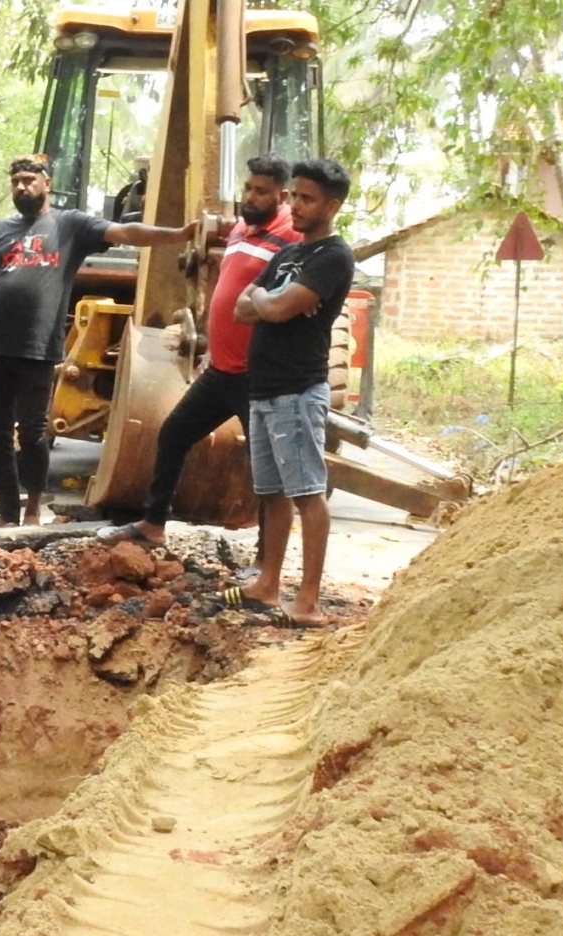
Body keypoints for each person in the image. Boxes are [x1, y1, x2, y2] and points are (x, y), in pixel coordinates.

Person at [0, 154, 198, 527]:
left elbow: (125, 233)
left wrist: (175, 236)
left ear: (46, 183)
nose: (21, 186)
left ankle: (32, 509)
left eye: (29, 179)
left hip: (37, 347)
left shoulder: (69, 225)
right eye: (15, 181)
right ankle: (5, 514)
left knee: (32, 431)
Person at [96, 155, 299, 549]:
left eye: (261, 192)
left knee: (265, 468)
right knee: (174, 433)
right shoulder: (242, 228)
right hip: (221, 370)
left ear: (283, 196)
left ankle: (265, 559)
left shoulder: (291, 235)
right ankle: (153, 524)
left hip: (256, 375)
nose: (250, 198)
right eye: (248, 188)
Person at [227, 159, 355, 628]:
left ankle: (308, 600)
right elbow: (246, 308)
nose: (295, 206)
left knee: (307, 493)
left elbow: (275, 308)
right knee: (272, 493)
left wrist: (269, 304)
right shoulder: (287, 256)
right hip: (264, 391)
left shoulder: (333, 257)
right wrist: (270, 304)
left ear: (332, 205)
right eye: (295, 196)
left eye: (307, 198)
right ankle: (268, 583)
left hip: (297, 391)